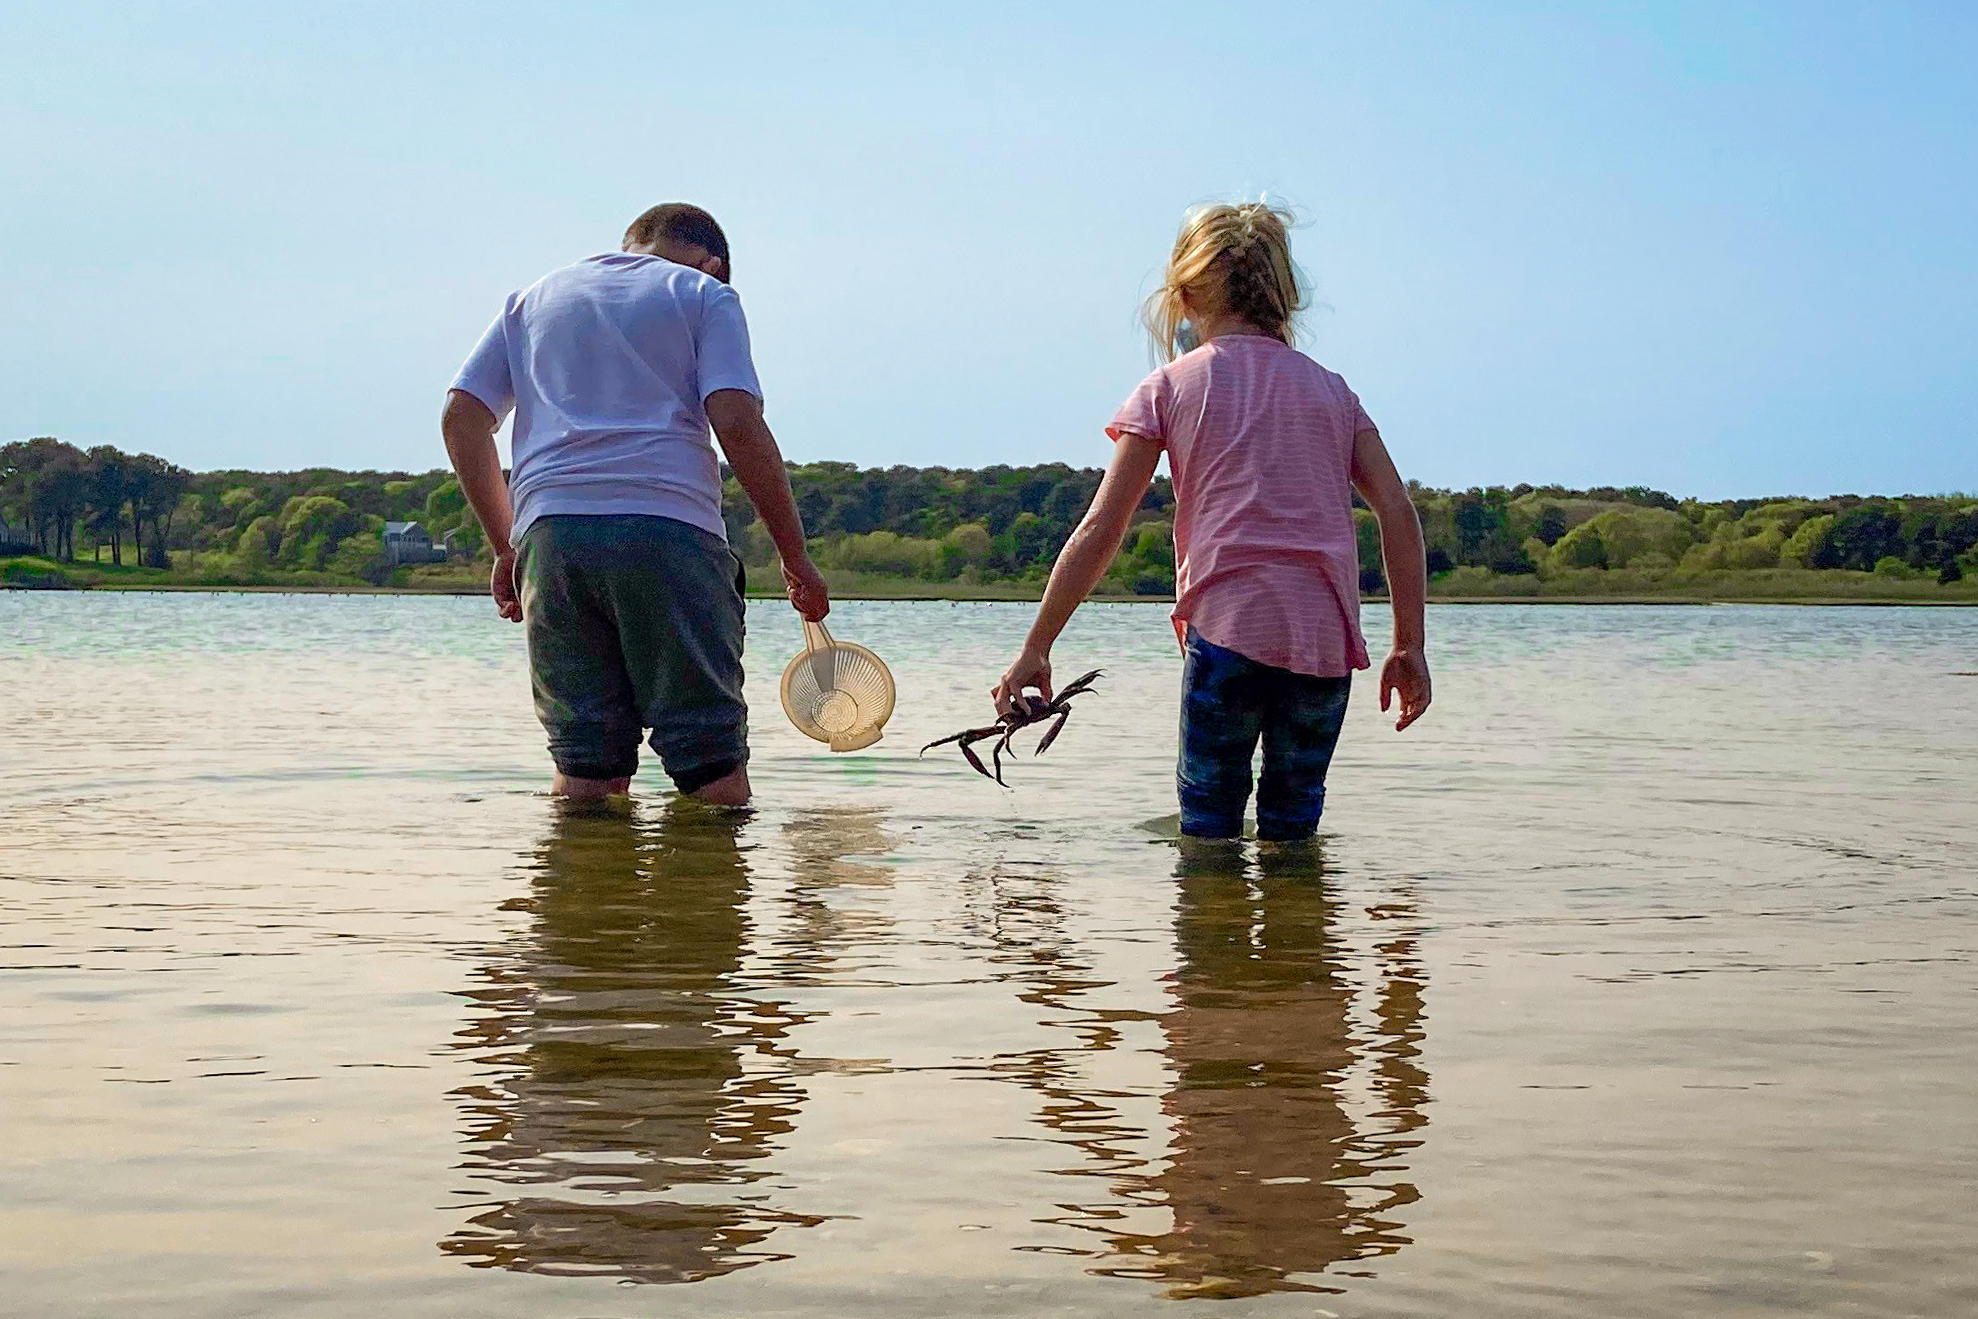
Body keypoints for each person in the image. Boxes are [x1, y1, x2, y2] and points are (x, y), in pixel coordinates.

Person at [993, 202, 1431, 841]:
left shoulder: (1168, 387)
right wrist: (1408, 643)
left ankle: (1213, 930)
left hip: (1228, 630)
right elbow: (1397, 509)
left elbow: (1101, 528)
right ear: (1283, 295)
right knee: (1294, 824)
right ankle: (1300, 936)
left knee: (1208, 824)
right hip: (1323, 638)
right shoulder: (1333, 392)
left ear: (1187, 291)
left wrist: (1037, 646)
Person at [442, 203, 828, 806]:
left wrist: (504, 544)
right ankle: (707, 891)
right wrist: (795, 555)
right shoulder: (705, 293)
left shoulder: (534, 299)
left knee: (584, 762)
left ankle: (587, 892)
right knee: (709, 758)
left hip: (552, 539)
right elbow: (736, 419)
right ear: (715, 265)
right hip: (668, 530)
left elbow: (462, 415)